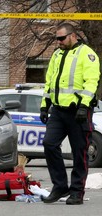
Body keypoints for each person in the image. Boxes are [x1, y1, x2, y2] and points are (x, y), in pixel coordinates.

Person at [40, 23, 100, 205]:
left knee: (79, 152)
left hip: (78, 112)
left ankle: (76, 192)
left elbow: (91, 82)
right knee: (49, 144)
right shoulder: (57, 55)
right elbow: (50, 82)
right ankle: (60, 186)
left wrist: (83, 106)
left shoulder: (87, 54)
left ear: (73, 36)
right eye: (57, 39)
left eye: (61, 38)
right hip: (58, 111)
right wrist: (45, 105)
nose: (58, 42)